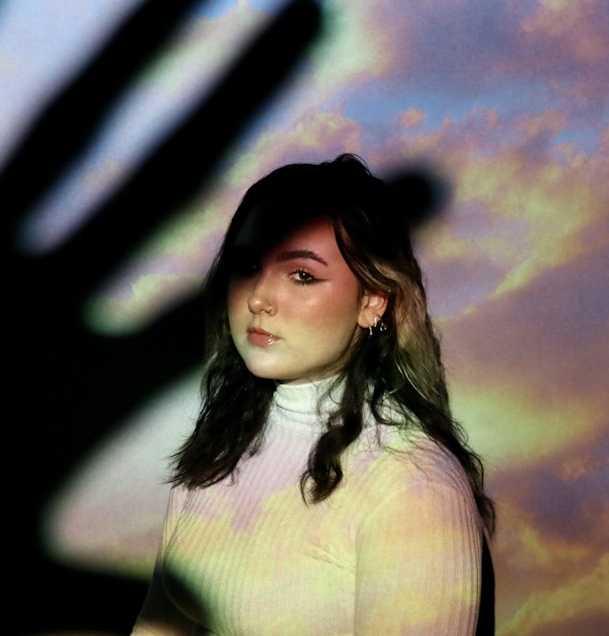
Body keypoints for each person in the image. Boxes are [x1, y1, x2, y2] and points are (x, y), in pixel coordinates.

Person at [132, 153, 495, 635]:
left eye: (301, 274)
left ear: (372, 302)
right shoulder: (221, 445)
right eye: (248, 265)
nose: (259, 297)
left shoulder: (413, 485)